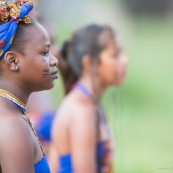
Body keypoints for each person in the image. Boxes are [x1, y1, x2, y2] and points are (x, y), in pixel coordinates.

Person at [51, 24, 128, 173]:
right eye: (115, 55)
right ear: (90, 64)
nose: (125, 60)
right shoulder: (82, 111)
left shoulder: (89, 103)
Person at [0, 0, 58, 172]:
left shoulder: (14, 114)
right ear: (13, 61)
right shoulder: (11, 125)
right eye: (44, 52)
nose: (54, 60)